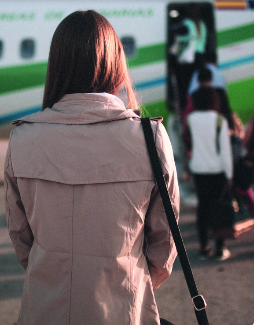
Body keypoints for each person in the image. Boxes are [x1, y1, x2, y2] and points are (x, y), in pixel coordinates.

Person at [4, 10, 180, 325]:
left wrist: (55, 277)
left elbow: (21, 237)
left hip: (44, 310)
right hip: (123, 310)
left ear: (56, 63)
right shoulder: (149, 137)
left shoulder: (23, 138)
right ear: (116, 61)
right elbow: (165, 243)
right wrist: (125, 283)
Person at [187, 87, 233, 261]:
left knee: (203, 210)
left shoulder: (190, 119)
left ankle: (203, 248)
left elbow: (189, 143)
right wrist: (229, 175)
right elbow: (226, 151)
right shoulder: (219, 120)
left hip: (199, 170)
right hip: (217, 170)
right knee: (218, 209)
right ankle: (220, 248)